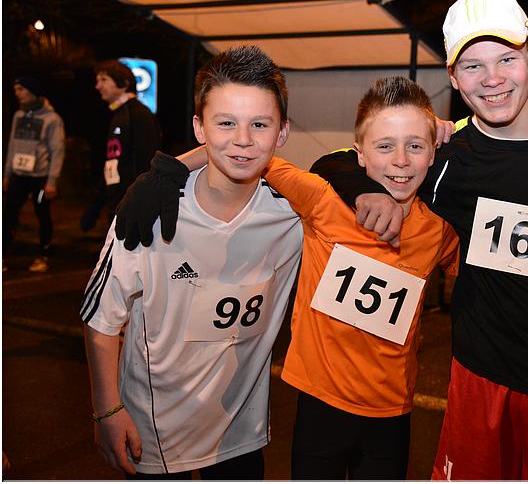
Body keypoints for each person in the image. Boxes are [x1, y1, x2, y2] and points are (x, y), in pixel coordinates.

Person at [306, 0, 528, 480]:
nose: (492, 79)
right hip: (478, 380)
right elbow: (335, 161)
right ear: (454, 77)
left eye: (506, 59)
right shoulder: (446, 155)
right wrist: (367, 192)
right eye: (473, 65)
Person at [113, 76, 460, 479]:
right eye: (385, 146)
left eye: (415, 146)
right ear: (359, 155)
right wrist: (169, 169)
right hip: (319, 404)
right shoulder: (323, 201)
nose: (400, 160)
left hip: (393, 411)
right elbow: (251, 154)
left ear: (433, 154)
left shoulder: (439, 230)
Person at [80, 46, 303, 478]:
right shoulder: (150, 210)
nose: (243, 138)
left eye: (260, 124)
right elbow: (101, 319)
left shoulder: (293, 214)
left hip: (241, 433)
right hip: (154, 433)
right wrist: (106, 410)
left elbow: (365, 166)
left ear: (282, 132)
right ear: (199, 127)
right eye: (225, 123)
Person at [3, 76, 65, 273]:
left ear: (33, 91)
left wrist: (52, 180)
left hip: (40, 177)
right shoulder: (19, 115)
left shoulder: (52, 119)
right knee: (7, 214)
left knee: (42, 214)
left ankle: (43, 255)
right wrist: (6, 174)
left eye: (21, 89)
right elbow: (12, 145)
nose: (17, 93)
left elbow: (57, 150)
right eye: (16, 89)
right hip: (18, 176)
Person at [93, 59, 162, 222]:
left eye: (104, 80)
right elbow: (113, 160)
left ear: (123, 84)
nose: (97, 86)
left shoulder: (139, 115)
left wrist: (136, 202)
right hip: (118, 203)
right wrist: (98, 201)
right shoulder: (119, 114)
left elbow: (147, 161)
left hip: (131, 205)